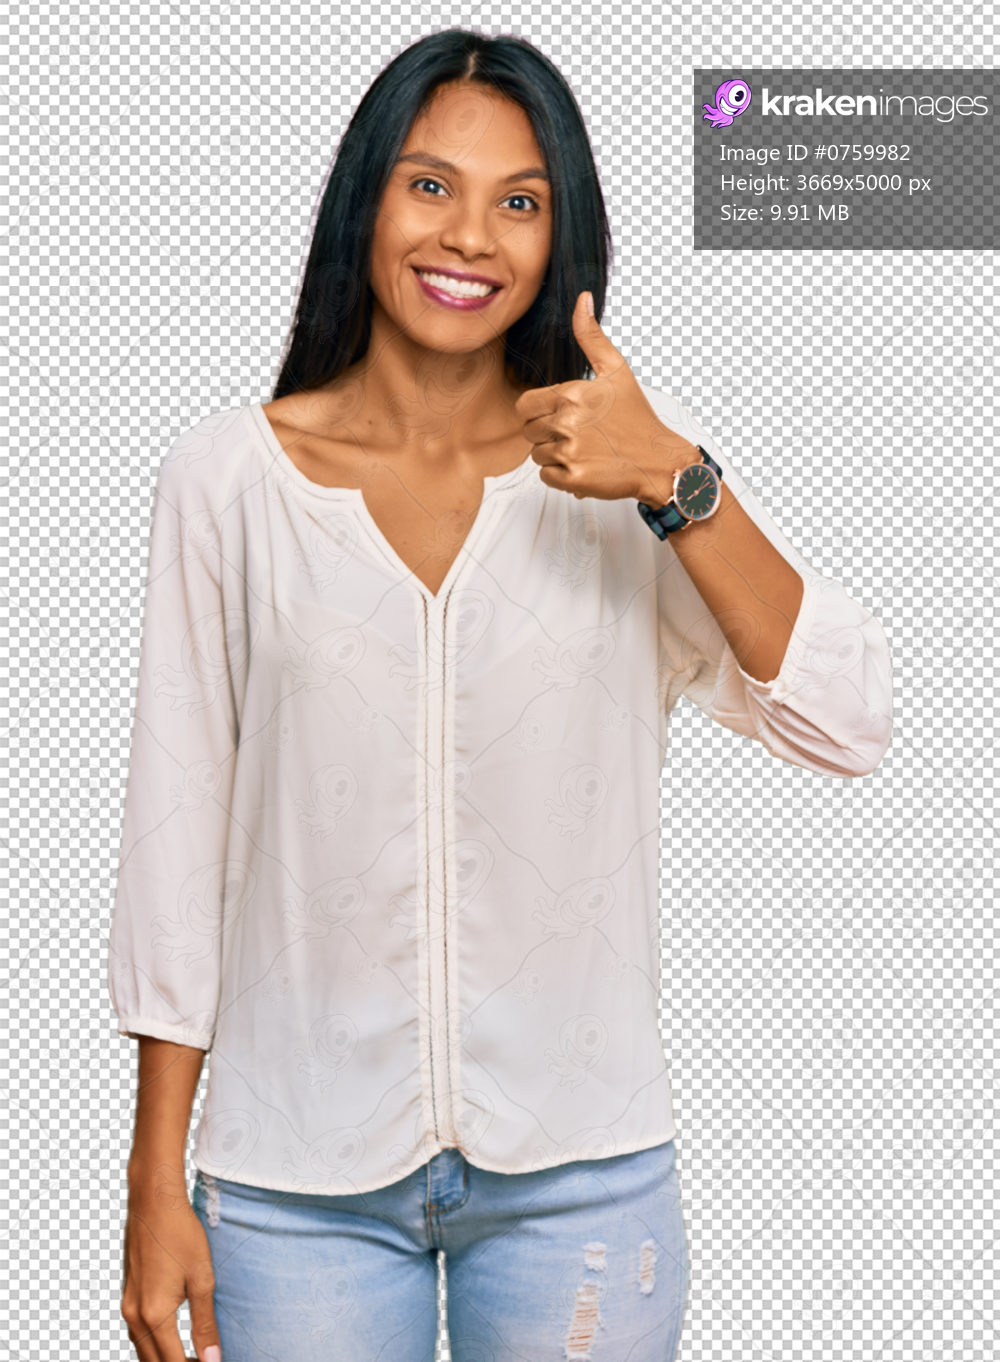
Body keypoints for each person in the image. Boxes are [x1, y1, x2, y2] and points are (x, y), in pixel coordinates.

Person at [109, 29, 893, 1362]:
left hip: (583, 1181)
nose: (467, 235)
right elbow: (175, 852)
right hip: (297, 1187)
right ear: (366, 202)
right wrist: (152, 1185)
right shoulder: (228, 483)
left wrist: (677, 479)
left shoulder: (613, 488)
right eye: (430, 185)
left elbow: (849, 716)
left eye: (518, 202)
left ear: (561, 235)